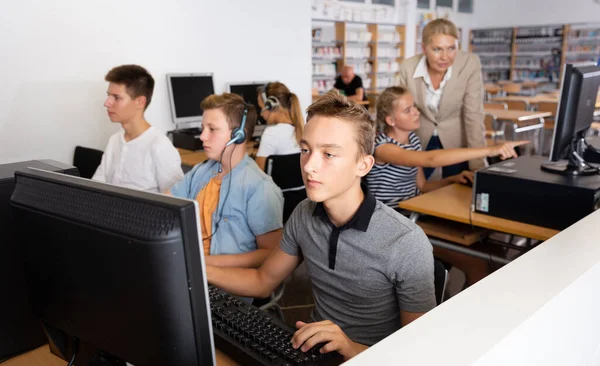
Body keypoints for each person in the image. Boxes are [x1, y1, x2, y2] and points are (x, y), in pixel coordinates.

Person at [207, 91, 436, 361]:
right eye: (306, 150)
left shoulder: (406, 242)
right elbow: (261, 281)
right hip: (312, 352)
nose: (309, 166)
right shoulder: (305, 213)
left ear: (363, 165)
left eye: (328, 154)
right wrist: (197, 270)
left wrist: (349, 347)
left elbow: (419, 355)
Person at [366, 86, 526, 285]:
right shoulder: (382, 147)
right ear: (391, 120)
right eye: (407, 110)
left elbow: (422, 187)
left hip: (413, 217)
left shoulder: (413, 141)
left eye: (414, 106)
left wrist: (452, 179)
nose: (416, 112)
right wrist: (489, 150)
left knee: (494, 251)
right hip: (391, 225)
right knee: (479, 263)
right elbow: (431, 159)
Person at [170, 93, 284, 269]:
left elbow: (270, 253)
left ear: (239, 135)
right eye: (203, 128)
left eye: (212, 129)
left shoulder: (259, 188)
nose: (202, 136)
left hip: (227, 283)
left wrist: (203, 264)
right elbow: (167, 202)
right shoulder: (201, 171)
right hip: (190, 268)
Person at [398, 19, 487, 179]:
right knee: (412, 188)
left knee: (460, 187)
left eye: (451, 48)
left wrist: (477, 164)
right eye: (437, 49)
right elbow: (399, 112)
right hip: (419, 138)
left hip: (455, 138)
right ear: (424, 48)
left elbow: (473, 114)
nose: (445, 57)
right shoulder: (408, 67)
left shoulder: (469, 63)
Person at [93, 64, 184, 192]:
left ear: (140, 102)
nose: (107, 103)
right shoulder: (114, 140)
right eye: (108, 95)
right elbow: (96, 187)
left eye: (116, 97)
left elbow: (176, 202)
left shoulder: (159, 146)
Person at [255, 82, 304, 171]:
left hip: (275, 185)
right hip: (300, 185)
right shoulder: (302, 129)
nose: (261, 114)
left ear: (271, 105)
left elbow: (258, 172)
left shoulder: (271, 133)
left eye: (261, 107)